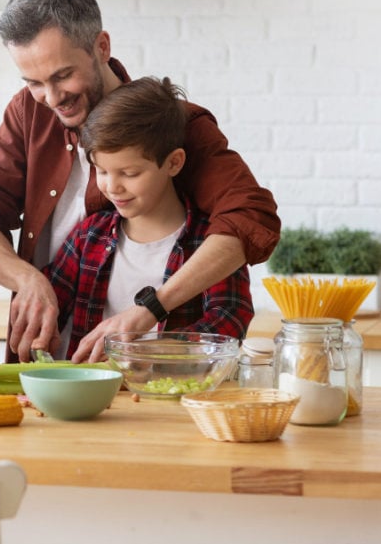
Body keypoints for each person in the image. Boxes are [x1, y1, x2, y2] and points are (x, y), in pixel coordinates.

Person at [0, 0, 280, 363]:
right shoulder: (28, 111)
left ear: (101, 46)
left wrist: (151, 312)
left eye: (62, 75)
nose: (51, 98)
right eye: (34, 82)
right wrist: (27, 280)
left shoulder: (173, 125)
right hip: (57, 366)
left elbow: (250, 217)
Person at [45, 76, 254, 362]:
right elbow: (50, 307)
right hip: (89, 397)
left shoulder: (210, 243)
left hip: (172, 397)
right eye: (101, 171)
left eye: (129, 174)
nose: (112, 187)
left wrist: (146, 352)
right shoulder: (88, 236)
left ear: (174, 162)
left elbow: (229, 321)